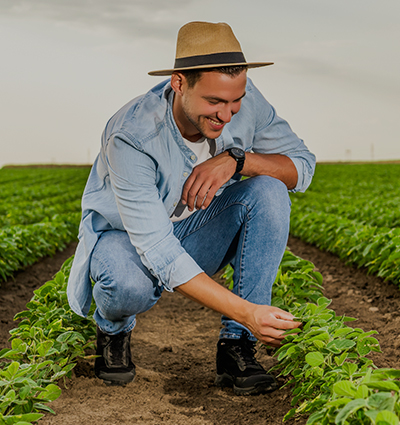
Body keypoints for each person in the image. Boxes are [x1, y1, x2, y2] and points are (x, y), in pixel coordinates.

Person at [67, 21, 316, 395]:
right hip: (127, 242)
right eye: (214, 102)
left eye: (236, 100)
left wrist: (238, 160)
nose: (227, 114)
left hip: (198, 230)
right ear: (179, 83)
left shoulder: (245, 102)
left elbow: (302, 166)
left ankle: (237, 348)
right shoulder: (131, 135)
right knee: (127, 285)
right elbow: (158, 248)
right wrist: (248, 310)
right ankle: (113, 330)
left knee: (270, 190)